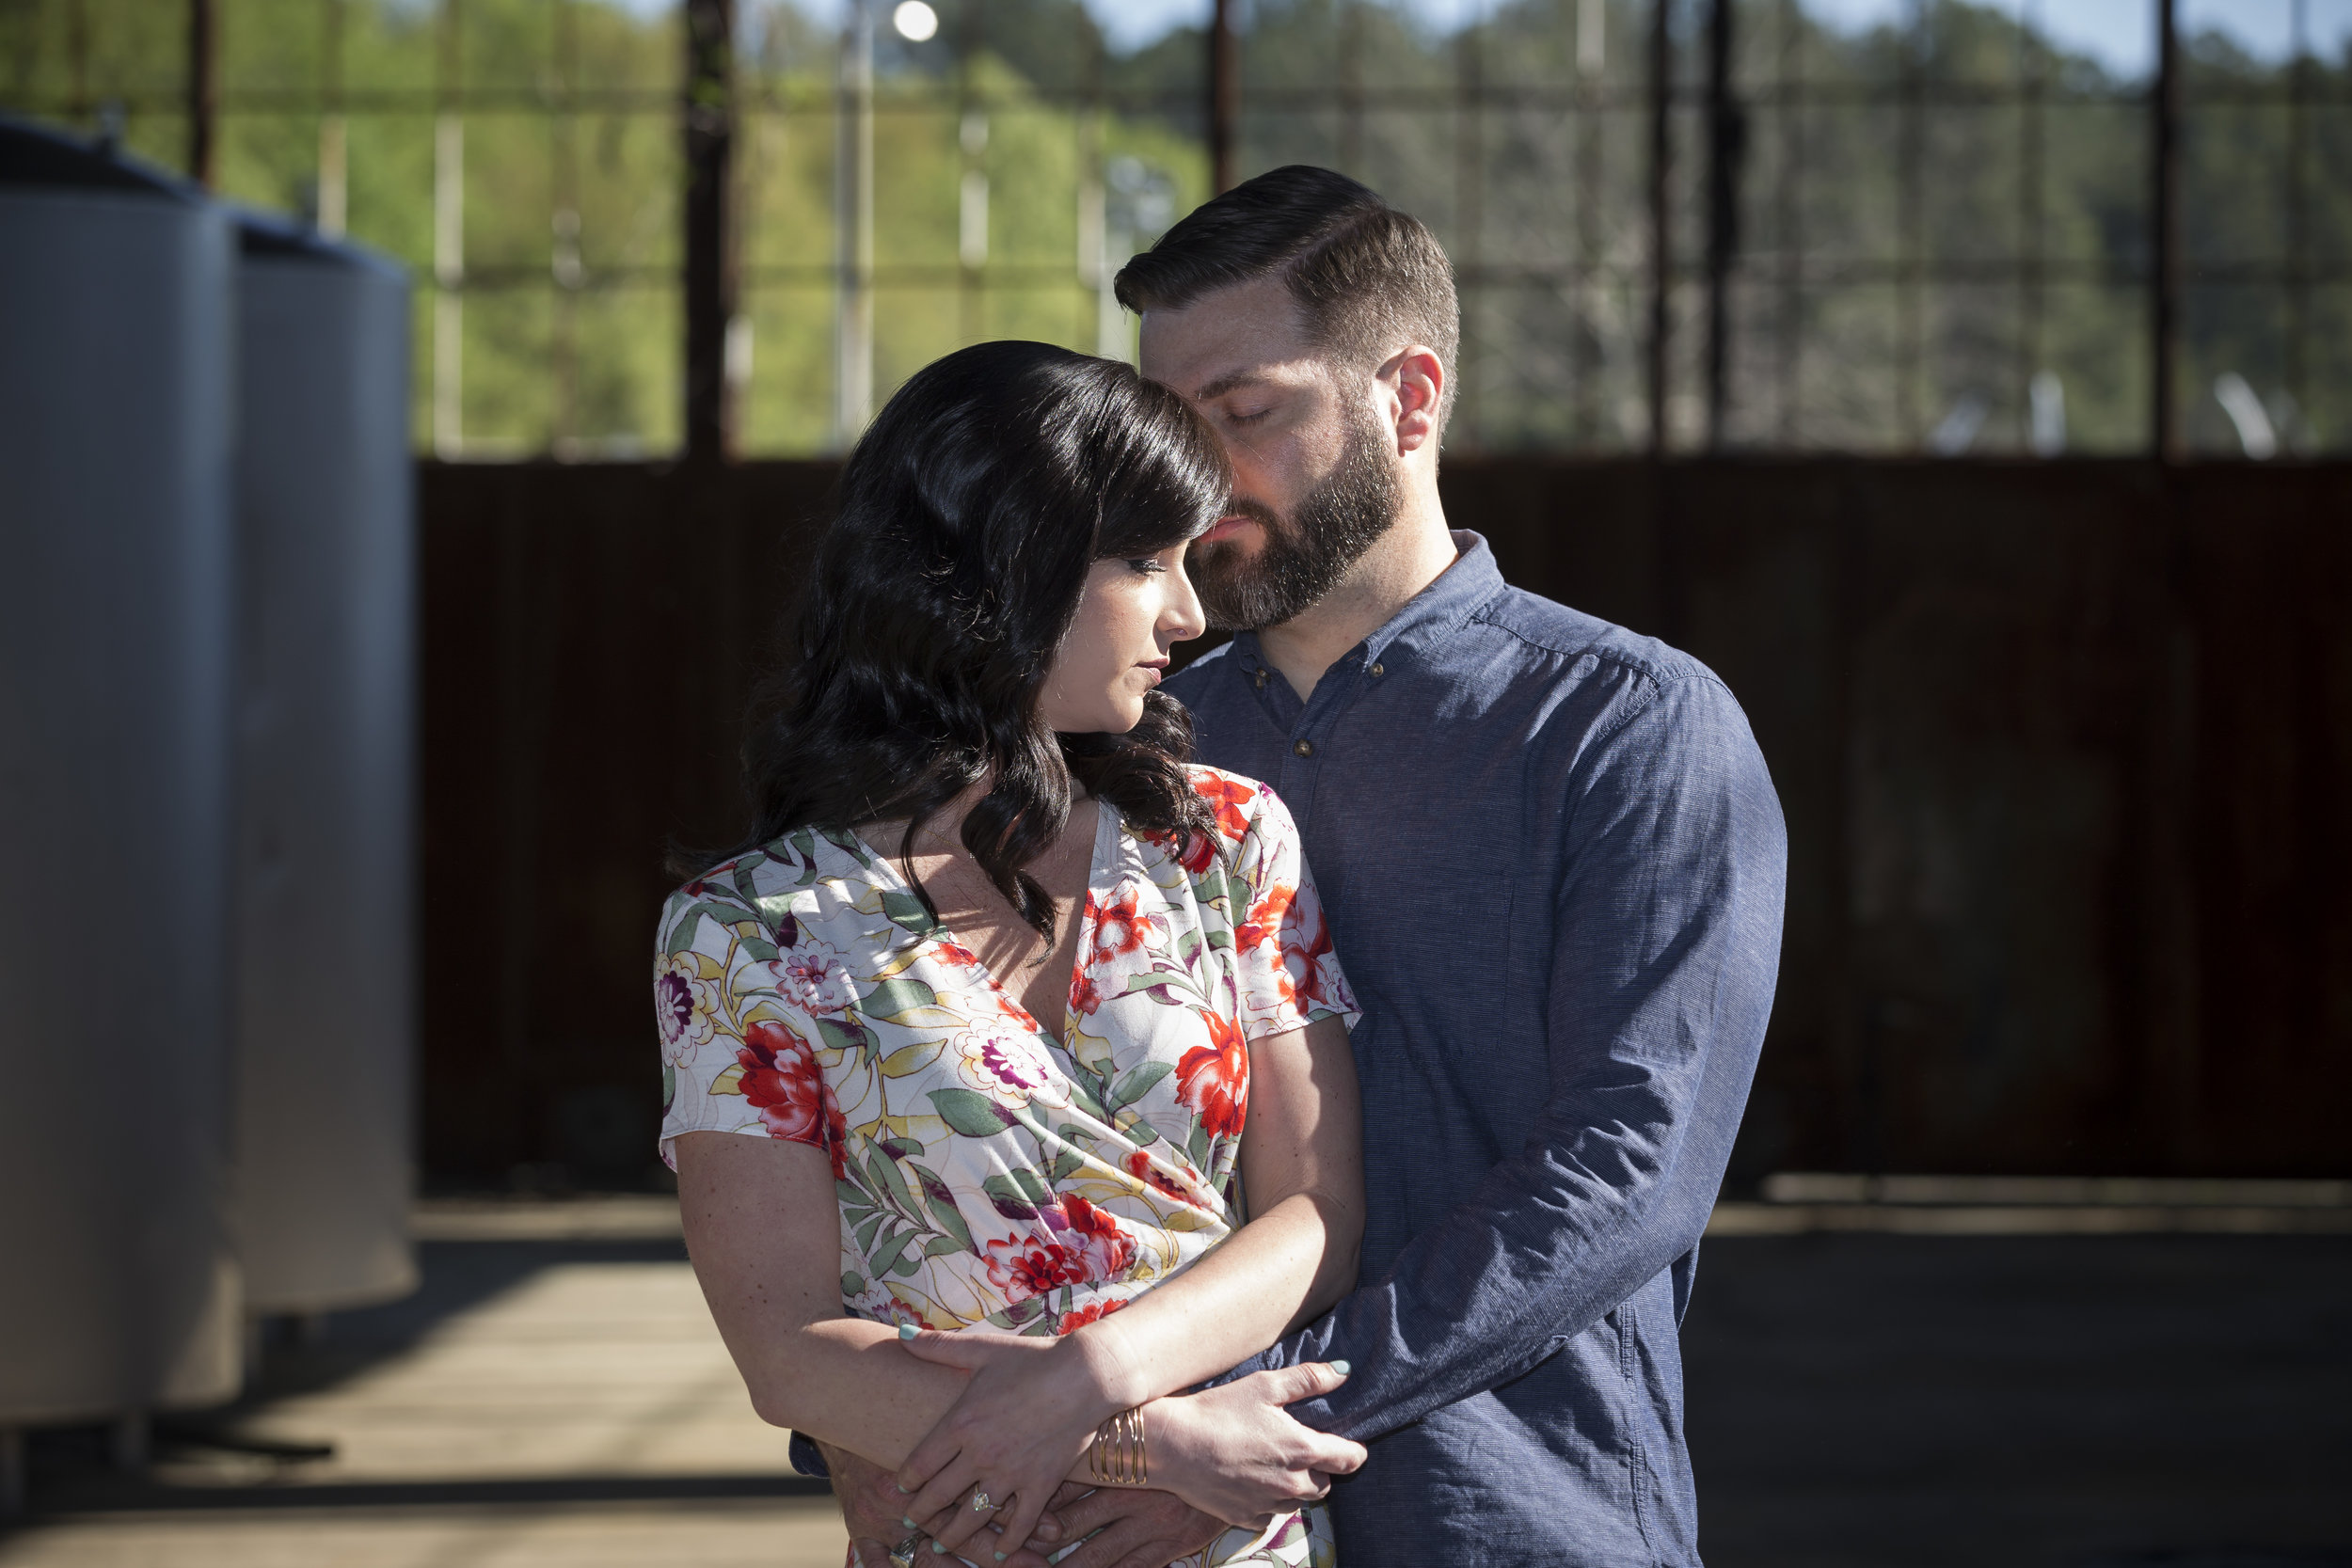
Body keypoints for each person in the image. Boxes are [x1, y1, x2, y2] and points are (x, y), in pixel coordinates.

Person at [832, 169, 1788, 1567]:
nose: (1198, 477)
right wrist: (879, 1429)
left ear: (1410, 400)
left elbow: (1624, 1172)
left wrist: (1243, 1433)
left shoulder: (1629, 729)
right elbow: (924, 1128)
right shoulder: (1116, 743)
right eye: (1170, 425)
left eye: (1247, 412)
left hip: (1516, 1518)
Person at [657, 339, 1377, 1568]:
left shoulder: (1229, 841)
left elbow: (1315, 1208)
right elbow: (786, 1353)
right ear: (1011, 563)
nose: (1189, 616)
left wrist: (1088, 1381)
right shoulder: (747, 929)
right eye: (1147, 563)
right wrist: (1149, 1444)